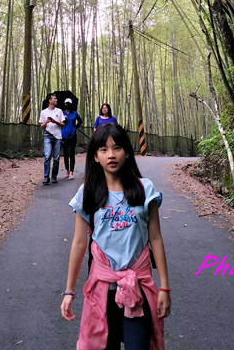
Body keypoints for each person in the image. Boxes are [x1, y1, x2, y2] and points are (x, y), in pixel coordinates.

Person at [61, 123, 171, 350]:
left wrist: (164, 288)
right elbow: (79, 243)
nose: (111, 155)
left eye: (117, 148)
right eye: (103, 149)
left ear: (128, 152)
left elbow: (156, 239)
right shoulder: (88, 194)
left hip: (137, 289)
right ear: (95, 157)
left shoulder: (145, 189)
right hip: (103, 291)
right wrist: (69, 291)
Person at [39, 92, 65, 185]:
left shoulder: (59, 111)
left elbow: (63, 124)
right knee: (47, 156)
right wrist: (46, 122)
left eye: (56, 99)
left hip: (57, 136)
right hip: (47, 136)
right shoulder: (44, 112)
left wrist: (55, 121)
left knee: (56, 158)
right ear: (50, 100)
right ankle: (46, 177)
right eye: (54, 98)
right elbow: (41, 126)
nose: (56, 100)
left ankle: (54, 176)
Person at [61, 98, 83, 180]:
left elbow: (80, 121)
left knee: (71, 153)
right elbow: (59, 122)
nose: (67, 104)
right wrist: (63, 119)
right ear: (64, 104)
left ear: (71, 104)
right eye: (66, 103)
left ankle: (71, 172)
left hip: (72, 135)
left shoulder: (75, 113)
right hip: (64, 135)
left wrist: (75, 128)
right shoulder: (61, 113)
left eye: (69, 103)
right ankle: (67, 170)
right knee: (65, 153)